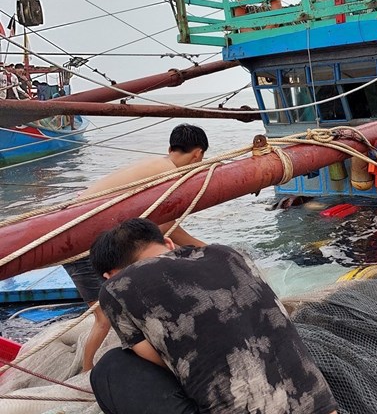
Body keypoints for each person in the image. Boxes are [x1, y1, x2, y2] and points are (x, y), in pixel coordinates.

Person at [89, 218, 339, 414]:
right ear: (169, 244)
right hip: (321, 406)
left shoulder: (116, 287)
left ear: (110, 275)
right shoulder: (228, 253)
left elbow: (159, 360)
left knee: (111, 367)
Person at [63, 123, 209, 372]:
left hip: (80, 235)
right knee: (103, 318)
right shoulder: (168, 175)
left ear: (170, 148)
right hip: (78, 244)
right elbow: (165, 227)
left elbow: (160, 226)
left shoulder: (156, 165)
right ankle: (86, 372)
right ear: (197, 154)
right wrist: (206, 249)